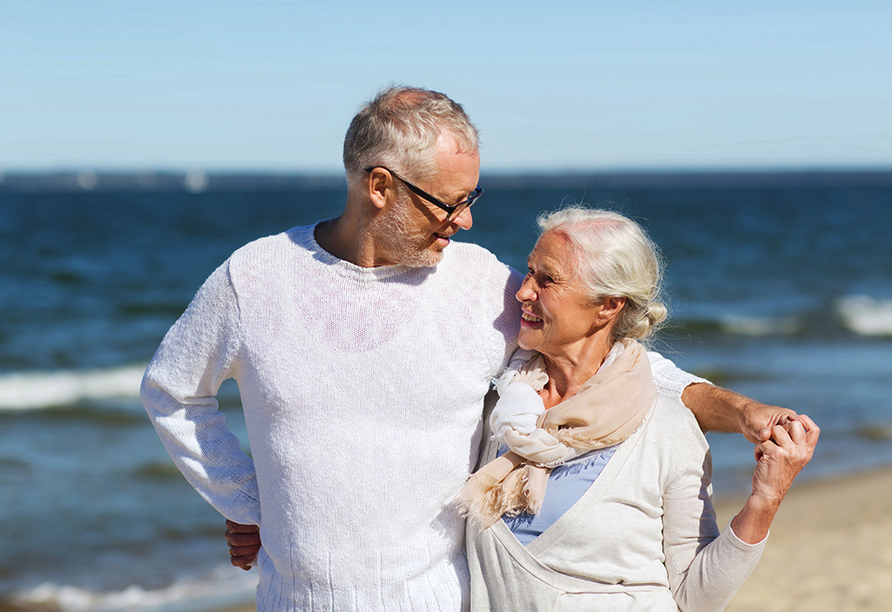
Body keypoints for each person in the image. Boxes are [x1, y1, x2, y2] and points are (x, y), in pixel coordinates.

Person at [142, 85, 810, 612]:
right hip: (293, 604)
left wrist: (744, 411)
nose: (467, 220)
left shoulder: (480, 285)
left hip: (447, 600)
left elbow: (615, 361)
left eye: (474, 197)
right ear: (379, 187)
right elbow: (173, 391)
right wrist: (249, 503)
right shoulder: (254, 278)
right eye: (450, 202)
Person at [460, 207, 818, 611]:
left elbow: (696, 598)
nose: (524, 292)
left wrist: (765, 498)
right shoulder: (504, 406)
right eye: (528, 272)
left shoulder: (666, 429)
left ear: (608, 306)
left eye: (548, 279)